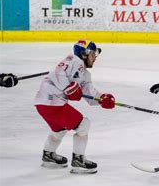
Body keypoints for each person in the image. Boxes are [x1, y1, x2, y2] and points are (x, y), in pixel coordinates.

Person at [34, 40, 116, 174]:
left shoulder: (85, 74)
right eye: (92, 55)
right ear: (84, 54)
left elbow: (89, 94)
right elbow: (57, 73)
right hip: (52, 102)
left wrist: (102, 99)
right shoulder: (72, 60)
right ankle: (78, 161)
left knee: (59, 130)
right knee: (83, 125)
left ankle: (48, 155)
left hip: (44, 104)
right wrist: (68, 87)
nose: (95, 58)